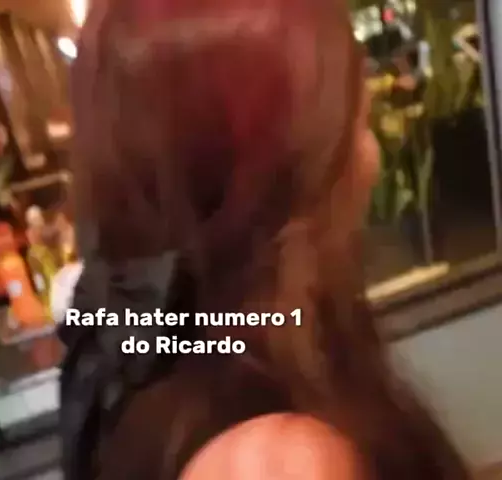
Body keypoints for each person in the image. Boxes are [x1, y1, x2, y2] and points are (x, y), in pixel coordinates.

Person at [59, 0, 471, 479]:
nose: (372, 160)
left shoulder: (170, 363)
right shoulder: (273, 461)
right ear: (291, 174)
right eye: (360, 126)